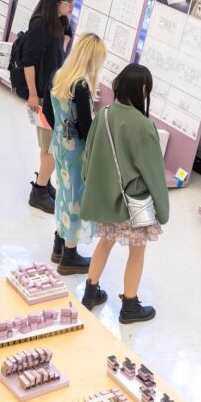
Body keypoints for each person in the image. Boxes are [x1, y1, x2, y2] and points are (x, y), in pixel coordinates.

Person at [79, 64, 169, 324]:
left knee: (104, 241)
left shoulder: (104, 114)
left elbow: (90, 156)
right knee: (137, 251)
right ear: (142, 90)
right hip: (134, 202)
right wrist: (162, 209)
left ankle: (90, 292)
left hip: (107, 197)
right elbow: (153, 173)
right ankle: (129, 306)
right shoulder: (143, 126)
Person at [48, 33, 107, 274]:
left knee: (63, 193)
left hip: (60, 147)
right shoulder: (81, 85)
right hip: (77, 154)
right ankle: (69, 256)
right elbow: (86, 128)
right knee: (75, 199)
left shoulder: (59, 76)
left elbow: (49, 112)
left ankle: (59, 244)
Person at [21, 0, 76, 214]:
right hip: (43, 96)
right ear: (56, 1)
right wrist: (33, 94)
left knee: (48, 146)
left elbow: (63, 47)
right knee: (53, 146)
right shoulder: (39, 25)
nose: (72, 6)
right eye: (69, 2)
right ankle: (39, 189)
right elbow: (28, 61)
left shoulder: (58, 22)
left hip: (54, 91)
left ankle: (44, 183)